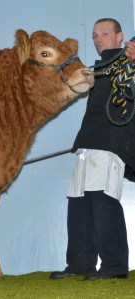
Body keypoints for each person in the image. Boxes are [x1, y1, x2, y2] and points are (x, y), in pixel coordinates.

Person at [50, 18, 135, 281]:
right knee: (78, 203)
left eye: (105, 33)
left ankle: (114, 267)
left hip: (112, 141)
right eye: (95, 35)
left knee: (102, 201)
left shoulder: (129, 64)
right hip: (88, 141)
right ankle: (80, 263)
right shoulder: (96, 69)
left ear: (121, 37)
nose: (98, 38)